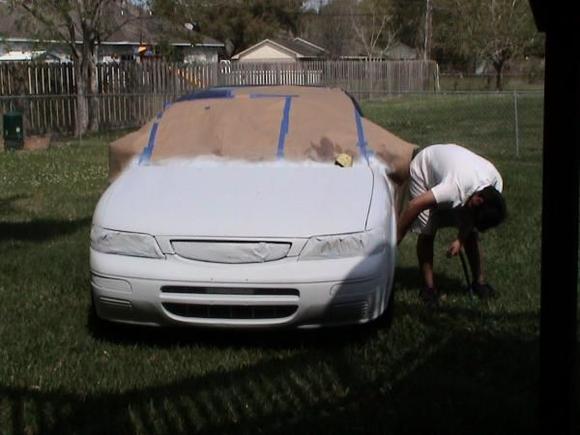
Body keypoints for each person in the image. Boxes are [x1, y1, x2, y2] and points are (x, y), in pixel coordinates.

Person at [397, 144, 507, 305]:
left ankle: (479, 283)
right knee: (427, 231)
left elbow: (472, 219)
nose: (470, 220)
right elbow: (414, 205)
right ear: (478, 200)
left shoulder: (496, 183)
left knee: (471, 236)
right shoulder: (453, 188)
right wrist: (395, 240)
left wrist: (461, 239)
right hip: (425, 170)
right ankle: (429, 289)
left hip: (454, 174)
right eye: (473, 214)